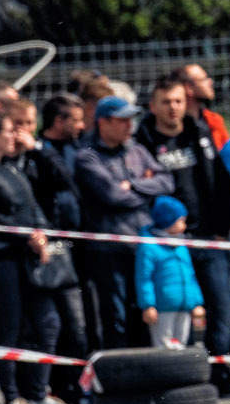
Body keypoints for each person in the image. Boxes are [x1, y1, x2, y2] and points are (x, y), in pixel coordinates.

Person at [0, 113, 74, 404]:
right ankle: (12, 397)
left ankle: (38, 392)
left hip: (28, 255)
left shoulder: (13, 167)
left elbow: (33, 206)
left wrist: (41, 233)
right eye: (10, 130)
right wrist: (26, 235)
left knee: (47, 322)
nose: (15, 135)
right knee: (11, 326)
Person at [137, 74, 230, 378]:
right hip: (169, 245)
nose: (173, 108)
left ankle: (220, 371)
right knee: (178, 313)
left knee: (221, 306)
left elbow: (221, 181)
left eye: (178, 101)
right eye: (166, 102)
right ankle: (186, 374)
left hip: (208, 237)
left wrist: (223, 228)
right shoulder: (144, 142)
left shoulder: (199, 134)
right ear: (153, 106)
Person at [75, 96, 174, 350]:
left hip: (143, 246)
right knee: (116, 316)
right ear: (103, 122)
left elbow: (166, 182)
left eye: (131, 119)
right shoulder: (88, 156)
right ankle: (119, 367)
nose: (129, 125)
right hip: (110, 250)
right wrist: (145, 188)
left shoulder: (137, 150)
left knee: (144, 312)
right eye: (122, 120)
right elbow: (113, 195)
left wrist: (133, 184)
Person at [30, 94, 90, 403]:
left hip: (80, 245)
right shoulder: (38, 153)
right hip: (50, 248)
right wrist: (40, 151)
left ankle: (78, 385)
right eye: (76, 120)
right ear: (58, 121)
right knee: (58, 322)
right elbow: (62, 180)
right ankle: (57, 387)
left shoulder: (80, 147)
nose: (82, 126)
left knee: (81, 323)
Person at [136, 196, 205, 349]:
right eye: (181, 221)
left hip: (185, 306)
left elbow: (190, 276)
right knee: (163, 348)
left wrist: (196, 303)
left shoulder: (181, 245)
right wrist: (148, 305)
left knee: (182, 346)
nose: (184, 226)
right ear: (168, 221)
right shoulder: (149, 247)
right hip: (162, 309)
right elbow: (144, 279)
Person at [177, 63, 230, 149]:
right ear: (189, 87)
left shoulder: (214, 120)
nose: (210, 82)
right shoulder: (174, 125)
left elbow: (226, 153)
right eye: (204, 79)